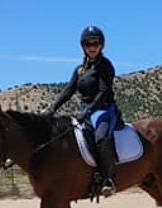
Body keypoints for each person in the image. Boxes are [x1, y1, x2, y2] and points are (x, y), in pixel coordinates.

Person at [45, 25, 119, 197]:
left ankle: (107, 179)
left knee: (100, 138)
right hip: (84, 110)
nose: (92, 47)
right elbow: (68, 91)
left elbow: (103, 91)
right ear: (83, 46)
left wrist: (89, 110)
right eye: (88, 44)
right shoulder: (79, 70)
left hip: (104, 110)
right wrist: (52, 109)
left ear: (101, 45)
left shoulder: (105, 66)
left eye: (96, 43)